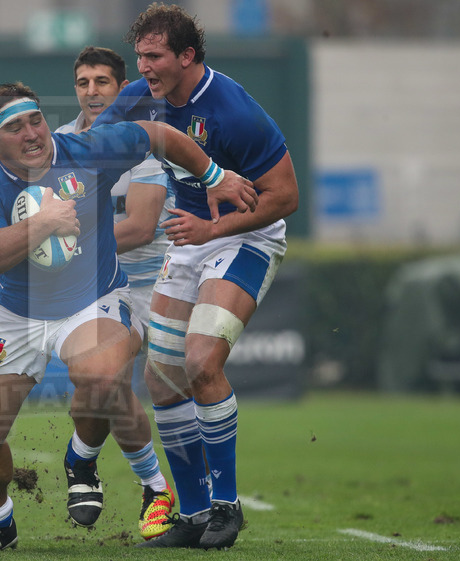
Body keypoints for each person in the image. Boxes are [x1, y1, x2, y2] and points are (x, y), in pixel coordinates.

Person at [0, 82, 258, 552]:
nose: (31, 133)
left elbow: (157, 134)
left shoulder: (87, 149)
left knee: (100, 375)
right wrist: (43, 223)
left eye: (35, 120)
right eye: (14, 128)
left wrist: (213, 175)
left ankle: (82, 460)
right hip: (15, 315)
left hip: (91, 300)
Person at [93, 3, 300, 550]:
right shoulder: (139, 96)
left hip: (246, 237)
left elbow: (286, 197)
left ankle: (226, 506)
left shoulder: (232, 109)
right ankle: (192, 514)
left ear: (187, 56)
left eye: (155, 56)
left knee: (201, 362)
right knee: (162, 377)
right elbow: (95, 154)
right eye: (140, 56)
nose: (145, 66)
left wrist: (215, 228)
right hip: (189, 238)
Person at [55, 45, 178, 540]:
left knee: (174, 387)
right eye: (83, 82)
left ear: (123, 88)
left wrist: (65, 243)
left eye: (102, 82)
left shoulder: (142, 140)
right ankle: (153, 488)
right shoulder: (63, 143)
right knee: (102, 379)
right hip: (94, 285)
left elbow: (142, 226)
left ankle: (81, 459)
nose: (92, 91)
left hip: (154, 286)